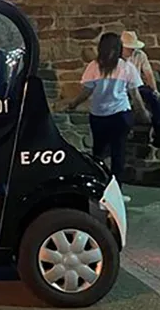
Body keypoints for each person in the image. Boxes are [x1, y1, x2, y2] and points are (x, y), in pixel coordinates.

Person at [63, 33, 151, 197]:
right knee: (118, 153)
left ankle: (100, 189)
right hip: (120, 114)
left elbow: (87, 91)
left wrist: (74, 104)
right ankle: (116, 193)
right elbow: (135, 94)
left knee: (99, 153)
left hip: (99, 115)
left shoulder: (93, 67)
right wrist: (142, 112)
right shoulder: (126, 67)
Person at [121, 31, 160, 152]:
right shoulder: (115, 57)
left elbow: (148, 73)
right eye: (129, 48)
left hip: (138, 85)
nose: (132, 51)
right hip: (120, 87)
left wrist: (154, 90)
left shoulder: (140, 55)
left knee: (157, 99)